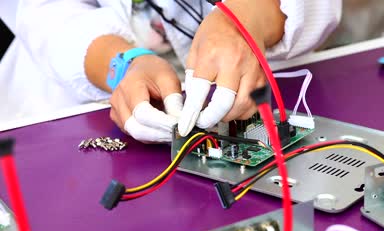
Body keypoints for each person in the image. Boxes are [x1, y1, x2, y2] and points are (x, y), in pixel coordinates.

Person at [0, 0, 341, 142]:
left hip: (271, 88)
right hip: (66, 111)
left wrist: (244, 20)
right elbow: (47, 10)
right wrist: (123, 64)